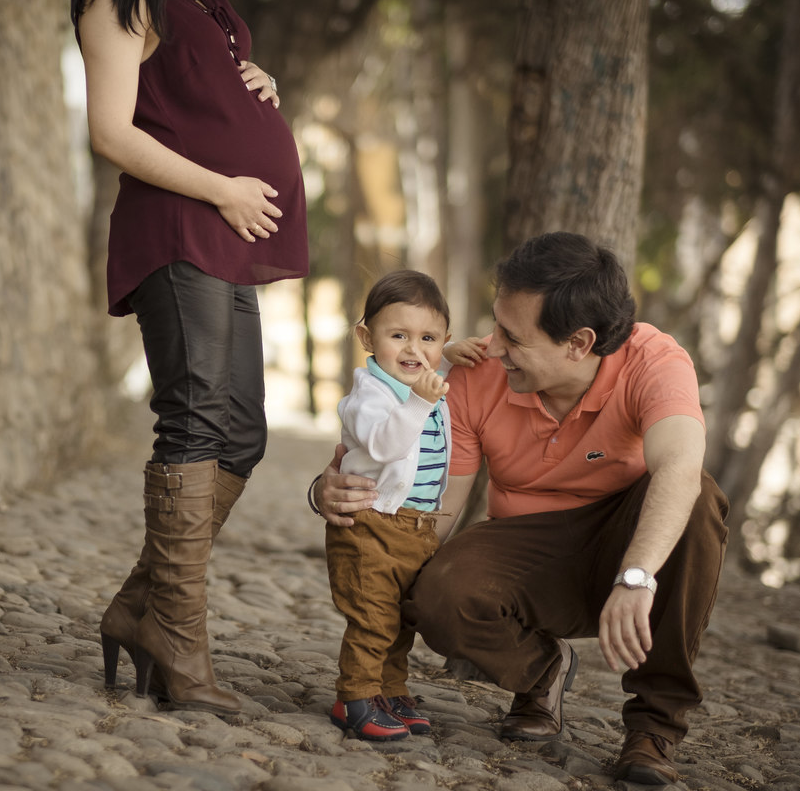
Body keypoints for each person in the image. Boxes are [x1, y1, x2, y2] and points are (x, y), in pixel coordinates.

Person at [312, 232, 729, 784]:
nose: (494, 345)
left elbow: (679, 466)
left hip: (625, 535)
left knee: (698, 500)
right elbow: (439, 506)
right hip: (525, 540)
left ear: (579, 343)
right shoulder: (477, 374)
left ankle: (655, 726)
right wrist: (338, 499)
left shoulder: (653, 359)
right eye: (496, 323)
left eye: (513, 336)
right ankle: (542, 674)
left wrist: (636, 576)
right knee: (435, 592)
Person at [71, 0, 308, 716]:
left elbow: (190, 93)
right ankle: (175, 634)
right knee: (197, 421)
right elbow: (111, 131)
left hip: (222, 236)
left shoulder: (206, 4)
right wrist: (223, 189)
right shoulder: (122, 0)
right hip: (181, 225)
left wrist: (253, 79)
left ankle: (140, 608)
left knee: (240, 435)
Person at [326, 270, 455, 741]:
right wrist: (419, 404)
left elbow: (434, 365)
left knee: (401, 618)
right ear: (367, 336)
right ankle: (354, 698)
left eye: (427, 338)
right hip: (371, 523)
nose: (413, 350)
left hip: (415, 527)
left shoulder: (423, 380)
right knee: (372, 616)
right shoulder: (369, 396)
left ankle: (391, 691)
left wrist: (448, 359)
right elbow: (383, 445)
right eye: (397, 335)